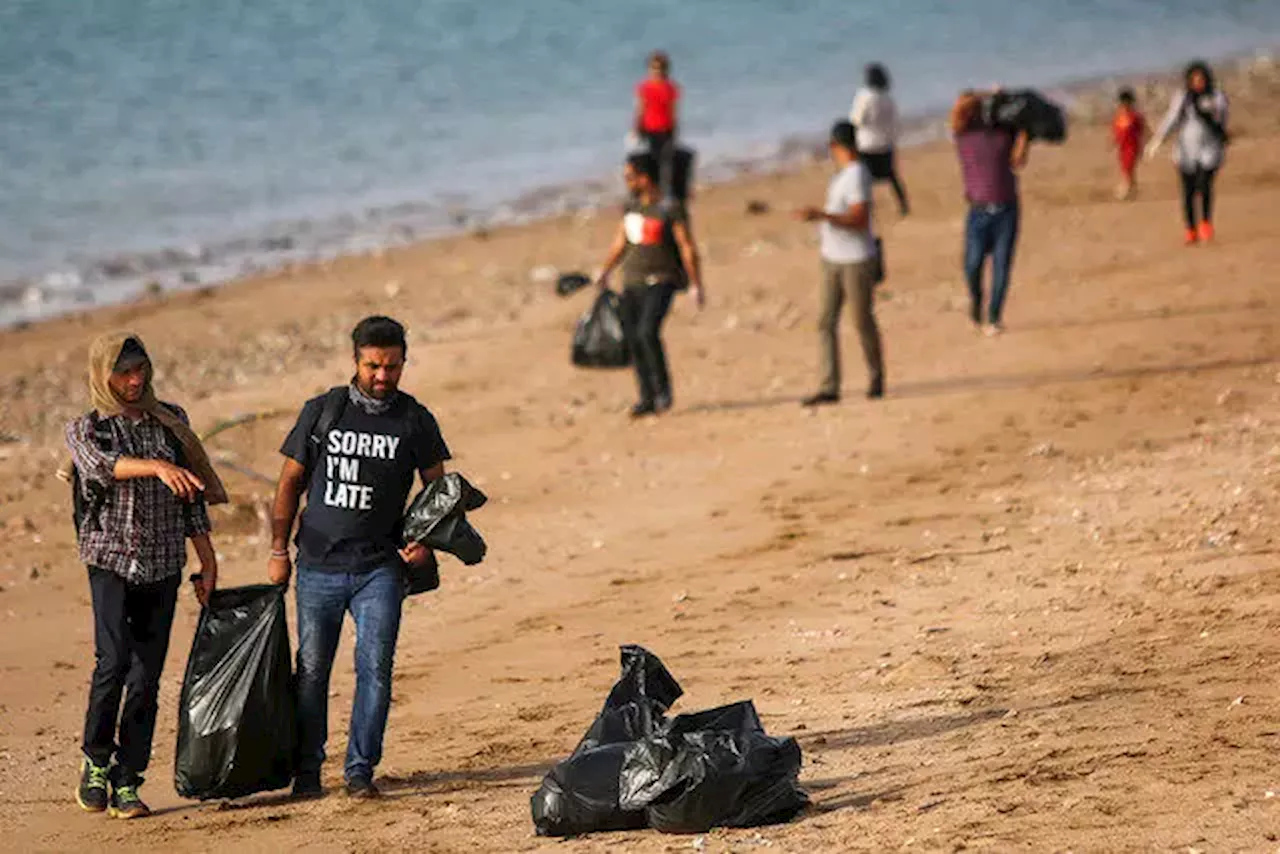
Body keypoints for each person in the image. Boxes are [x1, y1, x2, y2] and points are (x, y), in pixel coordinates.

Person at [268, 316, 452, 800]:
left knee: (376, 668)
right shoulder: (323, 411)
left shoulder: (414, 419)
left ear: (403, 362)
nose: (382, 376)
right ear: (356, 361)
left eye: (392, 366)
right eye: (373, 365)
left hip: (380, 570)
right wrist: (276, 551)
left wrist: (426, 540)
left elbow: (440, 489)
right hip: (316, 567)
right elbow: (289, 482)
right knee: (311, 671)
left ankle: (359, 772)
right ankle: (307, 773)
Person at [63, 332, 226, 819]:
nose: (135, 382)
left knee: (147, 677)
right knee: (112, 661)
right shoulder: (86, 428)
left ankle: (128, 778)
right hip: (110, 559)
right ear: (103, 375)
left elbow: (189, 494)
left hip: (162, 564)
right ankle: (95, 763)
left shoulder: (170, 420)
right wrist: (155, 467)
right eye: (123, 373)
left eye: (141, 371)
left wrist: (208, 559)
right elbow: (99, 467)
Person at [596, 152, 704, 417]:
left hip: (661, 279)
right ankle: (646, 397)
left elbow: (686, 246)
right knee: (633, 337)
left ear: (645, 178)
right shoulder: (631, 207)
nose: (627, 182)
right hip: (632, 280)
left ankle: (663, 391)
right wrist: (605, 270)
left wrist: (696, 284)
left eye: (631, 177)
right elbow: (621, 242)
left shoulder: (669, 208)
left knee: (647, 332)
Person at [795, 120, 885, 406]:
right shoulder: (842, 176)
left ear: (837, 147)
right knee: (825, 321)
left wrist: (822, 216)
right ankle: (829, 385)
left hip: (856, 260)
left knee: (861, 320)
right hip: (831, 258)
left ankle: (876, 376)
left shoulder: (857, 175)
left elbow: (860, 219)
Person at [952, 90, 1030, 336]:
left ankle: (994, 317)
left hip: (1007, 209)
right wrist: (992, 93)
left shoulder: (1005, 133)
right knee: (972, 265)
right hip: (978, 211)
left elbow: (1018, 161)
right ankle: (977, 302)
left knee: (1001, 266)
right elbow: (958, 109)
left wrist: (1024, 136)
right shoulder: (963, 134)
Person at [1147, 60, 1229, 245]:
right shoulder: (1183, 98)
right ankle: (1190, 229)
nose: (1198, 82)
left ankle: (1206, 224)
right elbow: (1171, 119)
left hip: (1210, 149)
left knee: (1205, 185)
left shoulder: (1216, 97)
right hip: (1185, 151)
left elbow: (1223, 120)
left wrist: (1215, 120)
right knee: (1188, 191)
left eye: (1201, 78)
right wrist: (1157, 140)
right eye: (1194, 79)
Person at [850, 63, 909, 215]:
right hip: (885, 143)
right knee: (891, 176)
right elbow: (894, 121)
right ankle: (903, 204)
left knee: (864, 180)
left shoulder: (864, 97)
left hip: (866, 144)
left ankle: (867, 209)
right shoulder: (888, 98)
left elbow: (856, 120)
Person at [634, 51, 680, 195]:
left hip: (665, 129)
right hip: (649, 129)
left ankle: (664, 190)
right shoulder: (644, 88)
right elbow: (640, 109)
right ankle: (651, 191)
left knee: (666, 162)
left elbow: (673, 110)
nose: (657, 71)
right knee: (650, 162)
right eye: (654, 68)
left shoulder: (670, 88)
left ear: (666, 69)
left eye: (660, 68)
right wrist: (637, 127)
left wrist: (674, 129)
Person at [1111, 88, 1147, 200]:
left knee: (1128, 169)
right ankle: (1132, 190)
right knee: (1126, 169)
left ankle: (1126, 190)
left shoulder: (1135, 116)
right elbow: (1115, 131)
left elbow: (1143, 130)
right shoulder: (1118, 116)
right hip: (1122, 147)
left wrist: (1144, 145)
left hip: (1132, 146)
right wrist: (1113, 142)